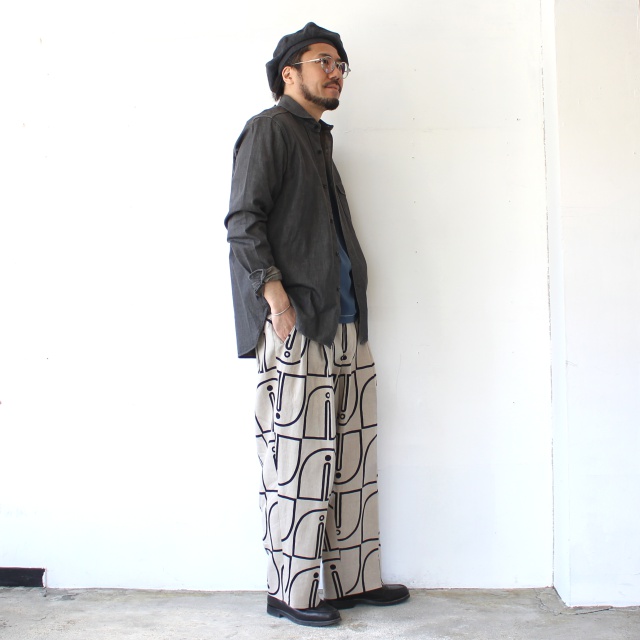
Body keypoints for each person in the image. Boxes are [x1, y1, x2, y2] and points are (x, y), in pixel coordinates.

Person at [224, 22, 409, 627]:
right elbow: (243, 223)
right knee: (298, 463)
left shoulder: (319, 141)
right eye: (324, 61)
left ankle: (352, 581)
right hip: (299, 323)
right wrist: (275, 300)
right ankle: (291, 592)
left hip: (344, 320)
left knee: (351, 459)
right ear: (289, 73)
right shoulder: (269, 130)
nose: (335, 72)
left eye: (340, 64)